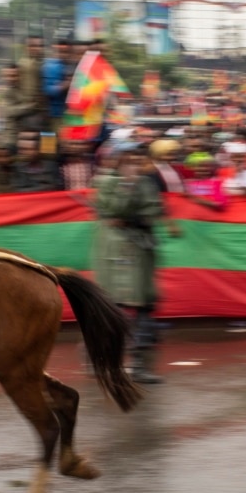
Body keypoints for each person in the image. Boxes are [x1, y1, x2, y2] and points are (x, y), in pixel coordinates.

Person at [92, 143, 166, 384]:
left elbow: (154, 209)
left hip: (141, 246)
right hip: (116, 251)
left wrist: (132, 217)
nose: (133, 161)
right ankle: (104, 360)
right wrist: (126, 186)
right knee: (116, 306)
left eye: (135, 156)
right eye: (127, 157)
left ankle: (139, 365)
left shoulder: (145, 181)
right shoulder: (106, 181)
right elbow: (112, 210)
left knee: (145, 304)